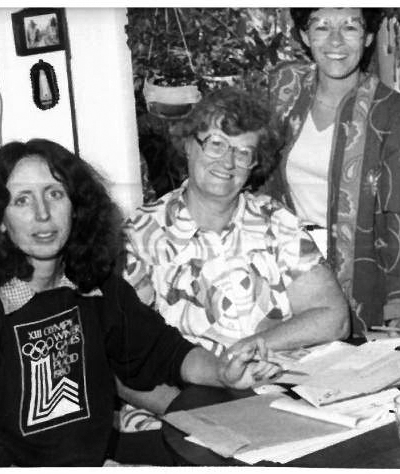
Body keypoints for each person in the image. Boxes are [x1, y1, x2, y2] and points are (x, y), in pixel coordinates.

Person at [0, 139, 278, 467]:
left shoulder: (94, 287)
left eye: (55, 194)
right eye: (22, 200)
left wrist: (223, 371)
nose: (42, 214)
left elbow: (163, 352)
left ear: (77, 207)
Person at [119, 87, 349, 423]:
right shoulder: (139, 235)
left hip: (279, 400)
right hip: (179, 405)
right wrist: (194, 413)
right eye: (215, 144)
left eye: (243, 152)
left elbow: (334, 317)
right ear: (187, 144)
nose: (227, 162)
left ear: (254, 164)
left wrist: (256, 343)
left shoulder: (276, 221)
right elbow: (121, 359)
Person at [266, 8, 400, 337]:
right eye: (322, 27)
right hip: (289, 275)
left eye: (350, 27)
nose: (335, 41)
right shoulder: (284, 92)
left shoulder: (399, 117)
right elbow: (264, 183)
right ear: (304, 35)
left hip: (363, 278)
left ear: (369, 36)